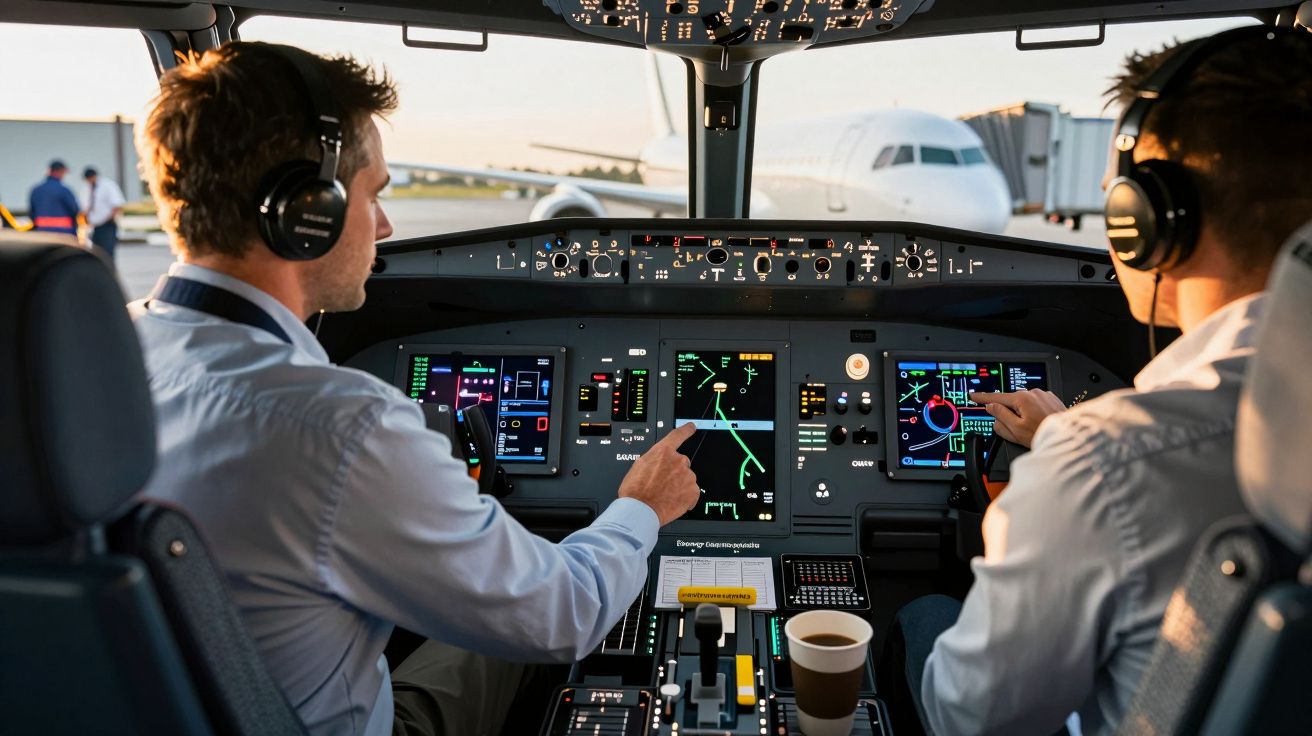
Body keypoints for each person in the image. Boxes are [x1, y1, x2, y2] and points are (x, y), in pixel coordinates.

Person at [130, 42, 700, 736]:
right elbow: (564, 615)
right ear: (308, 211)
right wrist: (640, 509)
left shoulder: (98, 357)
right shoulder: (344, 431)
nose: (388, 226)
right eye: (374, 195)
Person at [880, 27, 1312, 736]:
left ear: (1147, 221)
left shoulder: (1100, 460)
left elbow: (971, 717)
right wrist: (1062, 440)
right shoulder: (1095, 452)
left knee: (924, 618)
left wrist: (1036, 499)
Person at [27, 160, 80, 238]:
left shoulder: (36, 190)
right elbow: (74, 209)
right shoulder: (64, 190)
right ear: (59, 172)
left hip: (42, 232)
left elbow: (32, 212)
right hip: (64, 232)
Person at [82, 166, 126, 260]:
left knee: (107, 254)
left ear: (95, 176)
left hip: (107, 225)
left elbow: (117, 205)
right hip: (93, 227)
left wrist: (108, 219)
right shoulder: (88, 188)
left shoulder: (107, 185)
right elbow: (86, 207)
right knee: (96, 254)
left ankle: (109, 273)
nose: (89, 181)